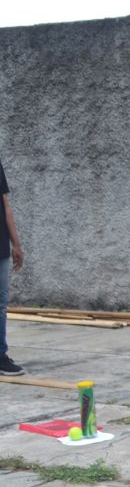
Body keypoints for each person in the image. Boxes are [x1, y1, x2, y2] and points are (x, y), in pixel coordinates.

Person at [0, 158, 25, 376]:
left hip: (1, 247)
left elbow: (5, 205)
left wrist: (16, 244)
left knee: (1, 304)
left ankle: (0, 355)